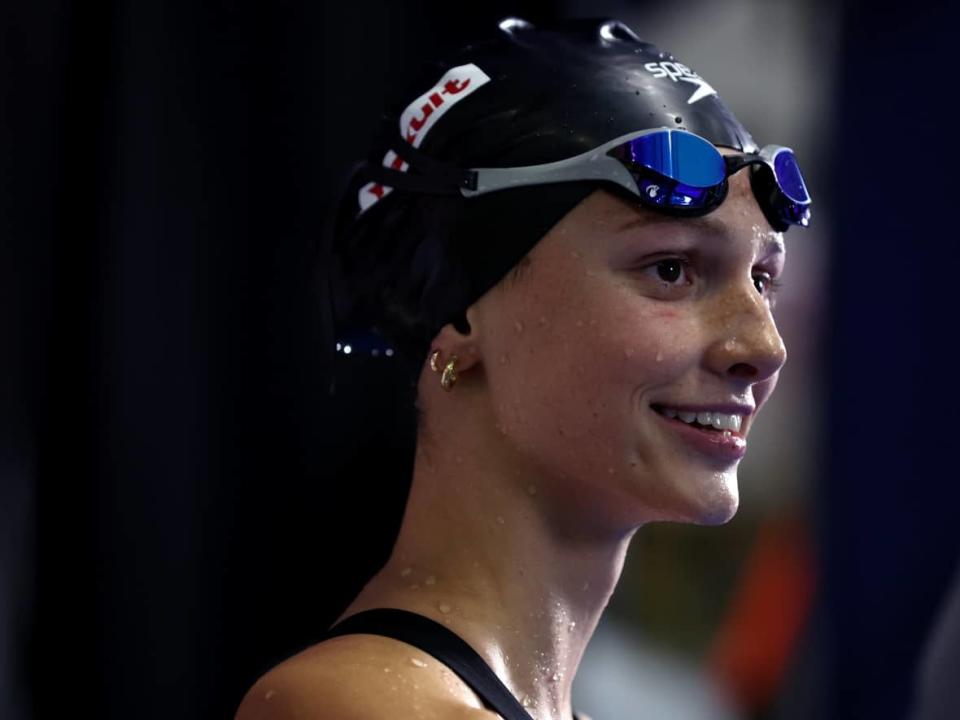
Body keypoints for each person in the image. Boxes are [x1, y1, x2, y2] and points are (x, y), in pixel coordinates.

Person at [235, 15, 811, 720]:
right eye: (671, 268)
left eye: (764, 280)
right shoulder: (358, 705)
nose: (763, 347)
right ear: (463, 309)